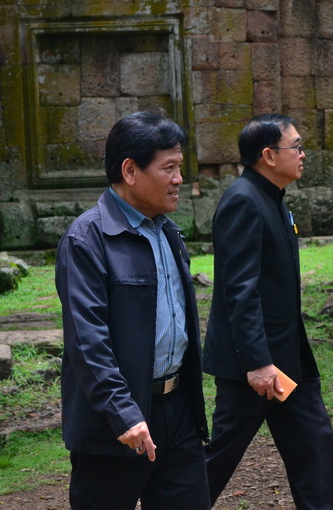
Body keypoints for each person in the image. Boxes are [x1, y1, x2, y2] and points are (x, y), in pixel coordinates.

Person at [55, 110, 209, 510]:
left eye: (180, 167)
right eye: (169, 168)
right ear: (130, 170)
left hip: (177, 414)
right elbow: (87, 340)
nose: (179, 179)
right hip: (114, 425)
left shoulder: (167, 231)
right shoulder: (86, 240)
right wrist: (123, 412)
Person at [204, 114, 333, 509]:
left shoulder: (272, 198)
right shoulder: (243, 200)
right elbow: (240, 290)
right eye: (296, 146)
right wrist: (257, 362)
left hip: (287, 356)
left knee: (315, 448)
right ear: (268, 155)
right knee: (219, 457)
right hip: (253, 365)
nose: (303, 154)